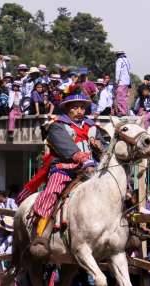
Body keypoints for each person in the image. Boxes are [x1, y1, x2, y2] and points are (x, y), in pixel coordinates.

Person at [28, 94, 106, 256]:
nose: (79, 111)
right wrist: (83, 159)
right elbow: (66, 147)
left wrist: (100, 147)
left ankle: (128, 228)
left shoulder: (93, 127)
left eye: (82, 107)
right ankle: (41, 234)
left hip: (93, 168)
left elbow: (104, 147)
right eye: (75, 107)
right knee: (52, 192)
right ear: (66, 109)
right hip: (66, 168)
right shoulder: (57, 126)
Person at [113, 49, 131, 116]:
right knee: (124, 97)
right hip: (127, 81)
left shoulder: (119, 60)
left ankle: (122, 111)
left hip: (121, 81)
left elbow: (118, 71)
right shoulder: (127, 60)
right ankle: (126, 111)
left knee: (120, 96)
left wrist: (116, 81)